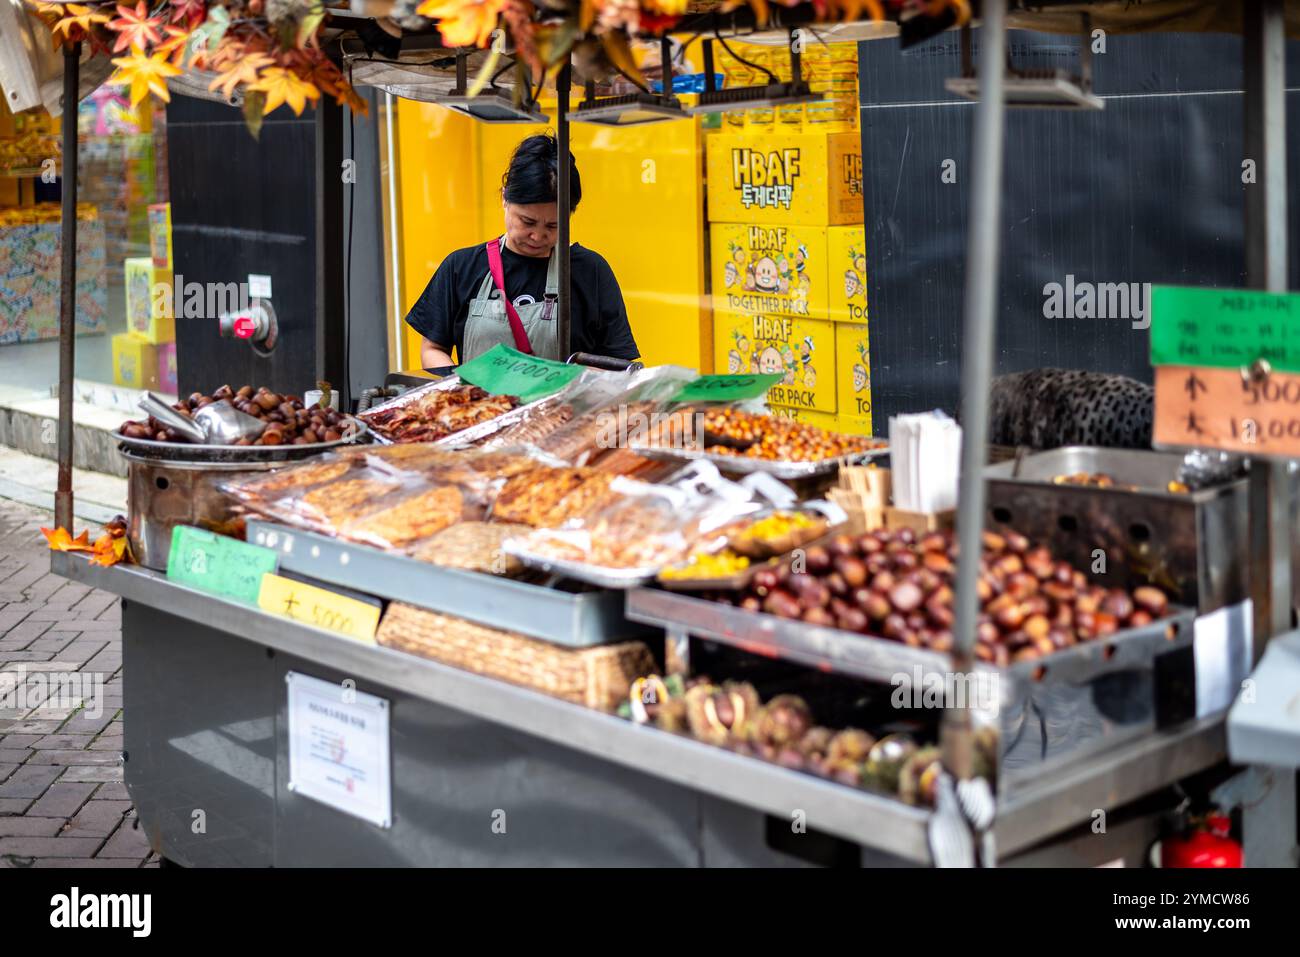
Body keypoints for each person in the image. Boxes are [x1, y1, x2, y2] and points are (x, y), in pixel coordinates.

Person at [405, 132, 639, 368]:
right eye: (527, 222)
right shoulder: (461, 266)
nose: (537, 236)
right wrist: (463, 391)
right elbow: (433, 348)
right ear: (505, 198)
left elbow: (618, 364)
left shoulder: (590, 271)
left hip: (565, 405)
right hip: (482, 405)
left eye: (553, 225)